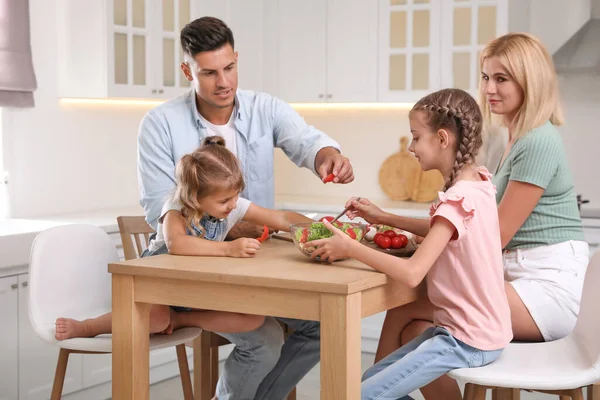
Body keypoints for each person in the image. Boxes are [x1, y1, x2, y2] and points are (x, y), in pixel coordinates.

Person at [136, 16, 354, 399]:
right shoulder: (160, 124)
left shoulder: (263, 108)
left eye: (229, 68)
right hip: (195, 273)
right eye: (209, 73)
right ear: (187, 70)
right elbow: (160, 208)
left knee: (324, 325)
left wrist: (328, 156)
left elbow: (305, 142)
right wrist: (228, 231)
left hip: (255, 264)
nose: (223, 82)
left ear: (237, 58)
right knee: (265, 339)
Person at [371, 33, 590, 400]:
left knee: (406, 307)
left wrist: (420, 242)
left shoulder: (537, 141)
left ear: (529, 80)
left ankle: (366, 391)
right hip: (521, 276)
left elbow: (492, 236)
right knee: (413, 329)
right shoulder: (516, 136)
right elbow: (467, 227)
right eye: (486, 77)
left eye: (501, 78)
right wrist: (390, 220)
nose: (489, 88)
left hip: (548, 287)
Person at [56, 136, 315, 398]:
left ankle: (180, 319)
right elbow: (177, 243)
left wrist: (321, 230)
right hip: (160, 286)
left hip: (197, 291)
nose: (233, 205)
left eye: (235, 196)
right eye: (225, 201)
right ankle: (89, 326)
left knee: (255, 316)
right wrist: (228, 248)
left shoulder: (229, 205)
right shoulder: (177, 206)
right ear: (194, 196)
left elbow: (281, 218)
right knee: (156, 319)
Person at [309, 88, 512, 399]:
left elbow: (413, 273)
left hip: (467, 340)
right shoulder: (478, 184)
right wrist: (383, 217)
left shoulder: (458, 199)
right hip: (475, 332)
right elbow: (444, 229)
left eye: (416, 137)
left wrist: (350, 248)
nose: (412, 147)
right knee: (371, 379)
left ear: (442, 139)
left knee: (358, 395)